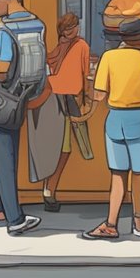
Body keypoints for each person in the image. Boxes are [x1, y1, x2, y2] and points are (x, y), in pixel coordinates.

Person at [79, 18, 140, 240]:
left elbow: (98, 94)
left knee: (117, 175)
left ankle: (111, 223)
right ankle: (138, 222)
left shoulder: (108, 58)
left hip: (115, 119)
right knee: (139, 174)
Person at [0, 0, 44, 236]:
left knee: (2, 160)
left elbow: (2, 68)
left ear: (8, 0)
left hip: (4, 99)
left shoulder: (5, 29)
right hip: (25, 97)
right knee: (9, 157)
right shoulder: (38, 24)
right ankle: (1, 208)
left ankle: (15, 219)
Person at [39, 12, 91, 211]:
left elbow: (49, 63)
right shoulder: (82, 46)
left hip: (50, 97)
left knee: (55, 146)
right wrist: (87, 101)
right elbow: (85, 77)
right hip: (67, 100)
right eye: (74, 26)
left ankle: (48, 188)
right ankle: (49, 190)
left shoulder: (59, 47)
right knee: (64, 148)